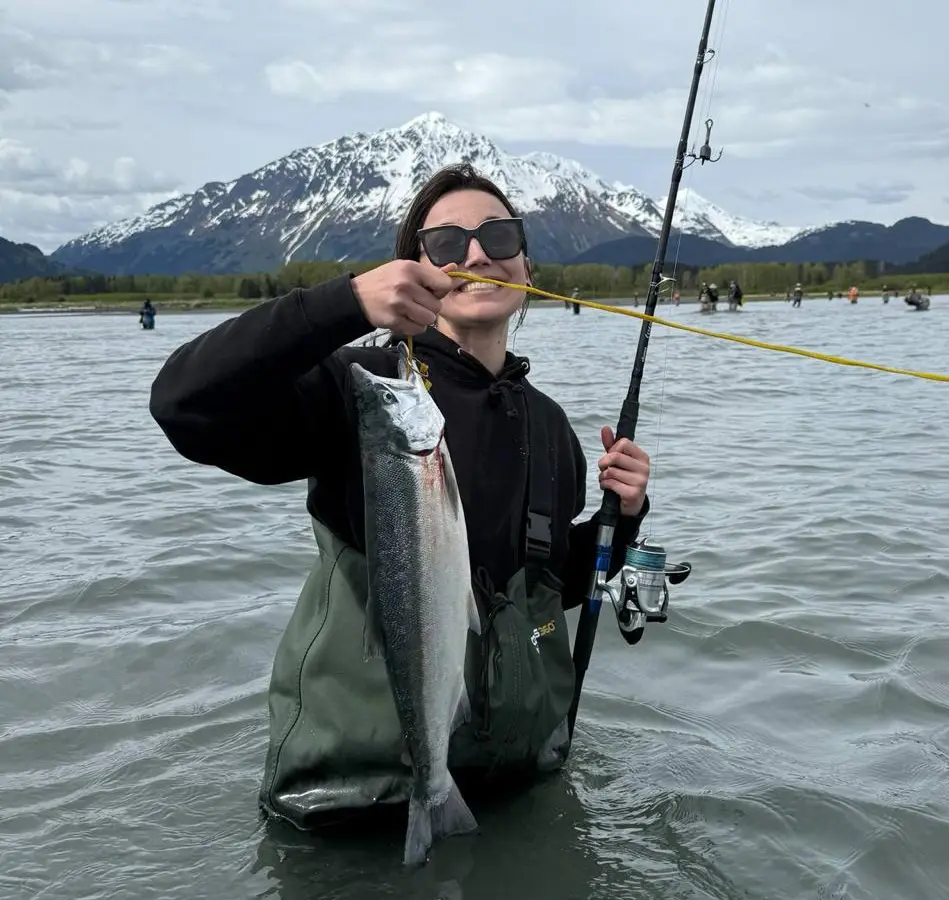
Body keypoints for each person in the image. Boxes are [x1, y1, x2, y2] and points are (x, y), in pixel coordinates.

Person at [147, 162, 652, 832]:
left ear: (526, 265)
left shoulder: (551, 428)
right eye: (447, 245)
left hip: (507, 800)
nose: (476, 255)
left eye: (498, 237)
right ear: (412, 273)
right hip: (352, 812)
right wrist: (342, 304)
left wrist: (625, 518)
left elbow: (546, 586)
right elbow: (184, 403)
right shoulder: (362, 390)